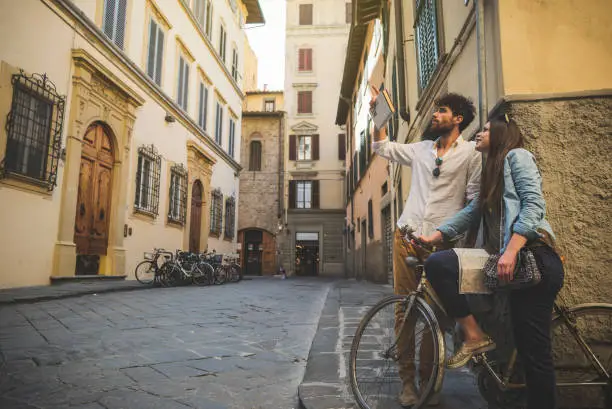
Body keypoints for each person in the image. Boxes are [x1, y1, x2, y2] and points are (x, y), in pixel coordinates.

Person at [419, 116, 564, 409]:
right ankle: (474, 335)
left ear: (501, 133)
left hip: (534, 258)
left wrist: (511, 250)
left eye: (485, 128)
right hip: (508, 259)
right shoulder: (491, 172)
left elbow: (534, 204)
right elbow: (471, 212)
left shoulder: (517, 157)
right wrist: (434, 237)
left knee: (534, 354)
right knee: (439, 264)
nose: (479, 132)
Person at [371, 88, 481, 408]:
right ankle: (407, 383)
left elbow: (472, 203)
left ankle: (428, 381)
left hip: (441, 245)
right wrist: (378, 114)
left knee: (437, 316)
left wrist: (463, 245)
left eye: (442, 110)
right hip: (406, 236)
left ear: (457, 119)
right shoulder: (420, 149)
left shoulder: (472, 153)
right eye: (435, 110)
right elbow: (382, 147)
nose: (434, 114)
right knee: (404, 310)